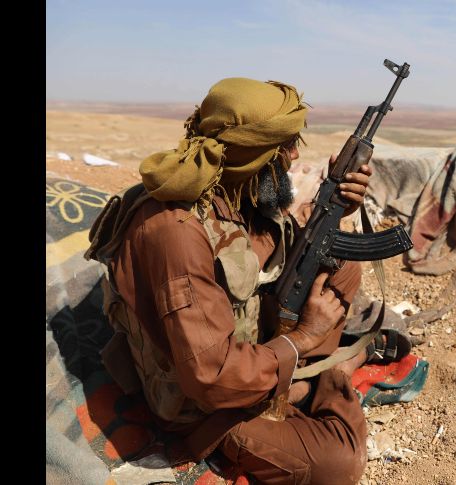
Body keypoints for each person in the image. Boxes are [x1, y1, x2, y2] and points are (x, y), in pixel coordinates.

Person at [86, 77, 402, 484]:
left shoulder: (232, 187)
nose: (293, 155)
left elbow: (267, 249)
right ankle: (328, 377)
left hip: (241, 342)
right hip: (201, 401)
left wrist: (334, 207)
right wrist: (304, 338)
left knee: (340, 265)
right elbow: (210, 378)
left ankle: (303, 377)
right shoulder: (177, 233)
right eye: (284, 146)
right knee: (338, 461)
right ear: (251, 155)